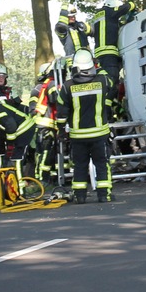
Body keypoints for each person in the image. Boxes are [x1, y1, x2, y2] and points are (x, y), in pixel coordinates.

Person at [55, 48, 115, 203]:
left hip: (78, 136)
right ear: (91, 65)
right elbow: (112, 81)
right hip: (99, 133)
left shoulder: (67, 86)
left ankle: (80, 196)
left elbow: (61, 113)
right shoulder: (102, 81)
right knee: (102, 164)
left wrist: (61, 131)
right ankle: (104, 195)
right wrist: (98, 65)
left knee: (79, 166)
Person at [91, 0, 137, 83]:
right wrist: (133, 5)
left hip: (99, 54)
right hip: (108, 53)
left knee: (104, 78)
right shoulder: (109, 11)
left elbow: (111, 28)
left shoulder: (98, 16)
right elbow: (124, 8)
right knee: (112, 79)